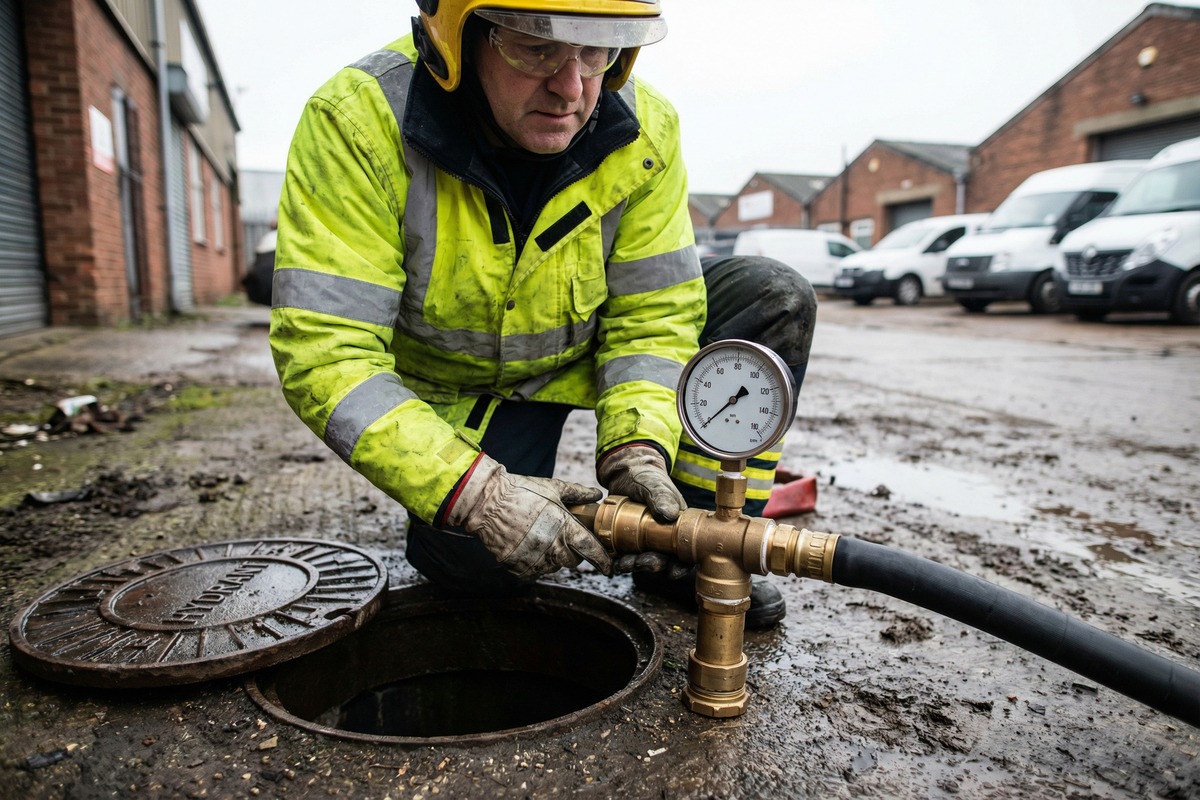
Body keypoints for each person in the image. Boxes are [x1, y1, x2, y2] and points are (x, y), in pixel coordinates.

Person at [269, 0, 816, 629]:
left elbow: (653, 313)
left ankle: (690, 551)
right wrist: (476, 494)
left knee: (772, 294)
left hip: (577, 344)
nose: (571, 87)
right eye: (537, 47)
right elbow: (326, 353)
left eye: (596, 51)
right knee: (478, 571)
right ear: (458, 38)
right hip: (462, 388)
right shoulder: (358, 121)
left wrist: (640, 444)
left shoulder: (646, 130)